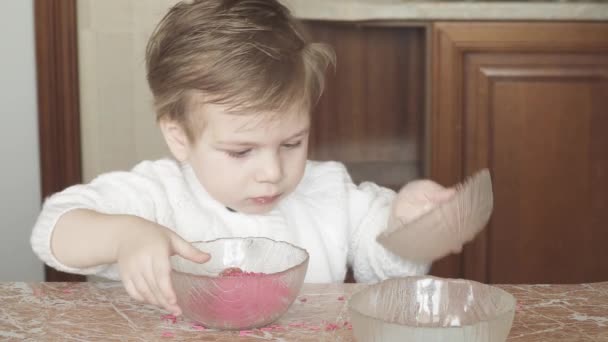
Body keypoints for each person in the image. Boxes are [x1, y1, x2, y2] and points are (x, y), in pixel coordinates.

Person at [31, 0, 456, 316]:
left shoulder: (329, 190)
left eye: (292, 144)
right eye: (241, 151)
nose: (272, 173)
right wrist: (126, 236)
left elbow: (386, 275)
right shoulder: (157, 195)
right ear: (179, 138)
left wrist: (407, 223)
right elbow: (53, 227)